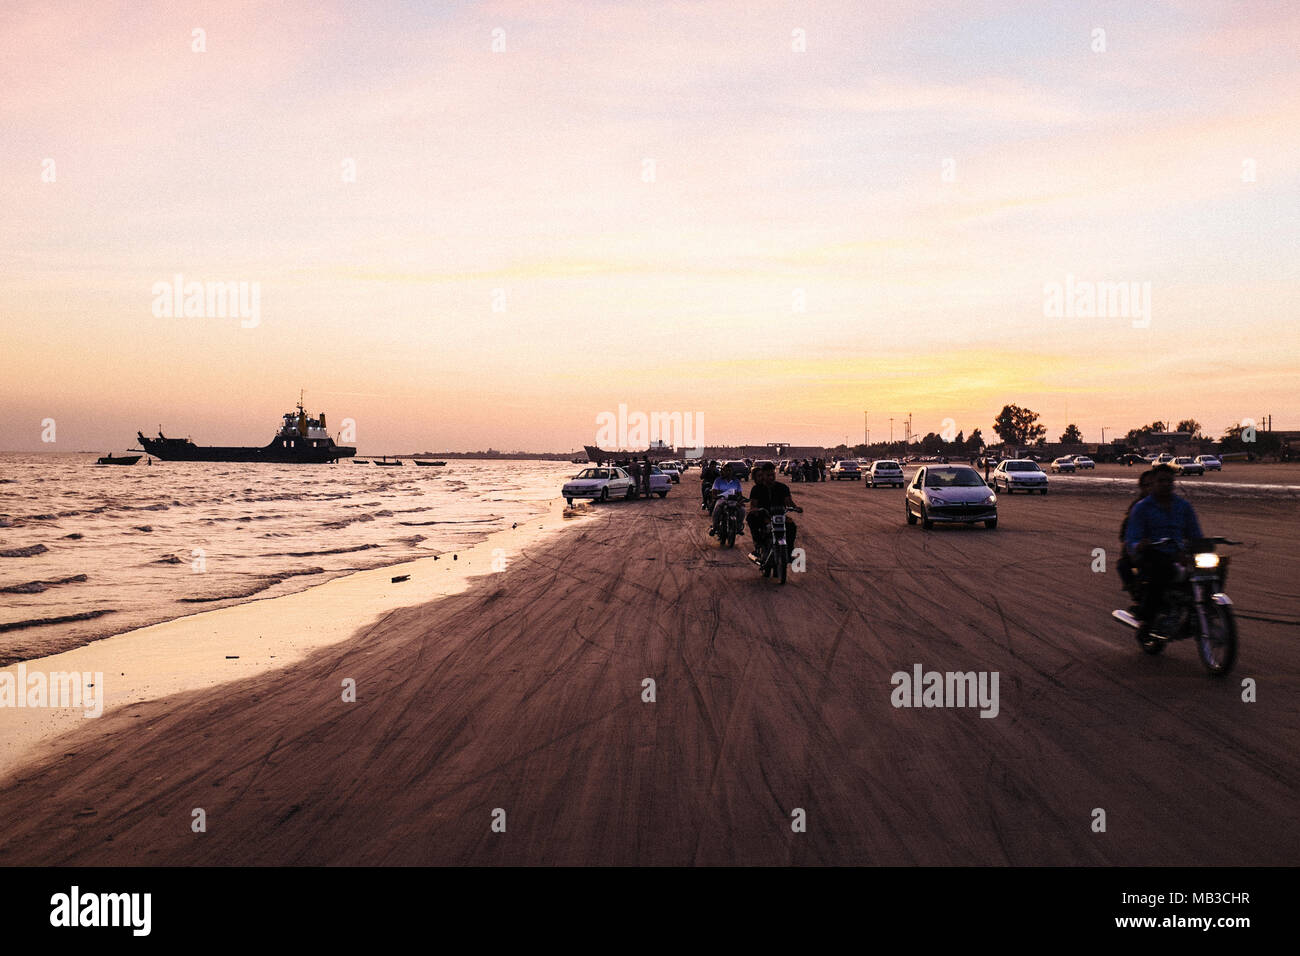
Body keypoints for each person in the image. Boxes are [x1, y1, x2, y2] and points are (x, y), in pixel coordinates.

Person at [1124, 464, 1204, 639]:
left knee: (1214, 568)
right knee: (1162, 571)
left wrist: (1202, 545)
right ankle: (1148, 619)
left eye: (1169, 480)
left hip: (1178, 554)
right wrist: (1139, 544)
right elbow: (1132, 538)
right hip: (1152, 553)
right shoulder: (1142, 508)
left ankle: (1202, 611)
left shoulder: (1183, 506)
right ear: (1153, 483)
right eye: (1161, 481)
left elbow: (1195, 533)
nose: (1166, 484)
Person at [746, 461, 802, 559]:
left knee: (791, 526)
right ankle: (758, 544)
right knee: (751, 518)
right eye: (768, 475)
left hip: (779, 516)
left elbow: (788, 502)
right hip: (763, 515)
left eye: (773, 474)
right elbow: (753, 504)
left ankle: (789, 551)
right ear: (763, 475)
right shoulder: (756, 489)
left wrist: (796, 508)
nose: (771, 477)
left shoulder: (783, 487)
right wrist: (755, 509)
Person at [1117, 470, 1156, 605]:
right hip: (1148, 550)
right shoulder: (1137, 507)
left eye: (1153, 484)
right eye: (1147, 485)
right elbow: (1125, 534)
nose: (1151, 488)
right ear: (1142, 488)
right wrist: (1138, 544)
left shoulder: (1178, 505)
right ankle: (1139, 597)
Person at [708, 464, 744, 537]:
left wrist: (740, 499)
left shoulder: (736, 481)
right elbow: (714, 492)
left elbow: (740, 494)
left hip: (733, 500)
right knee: (717, 509)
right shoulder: (718, 480)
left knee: (742, 510)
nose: (728, 472)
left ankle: (739, 527)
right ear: (723, 471)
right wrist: (717, 496)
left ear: (732, 471)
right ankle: (715, 527)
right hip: (722, 499)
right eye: (726, 470)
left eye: (729, 470)